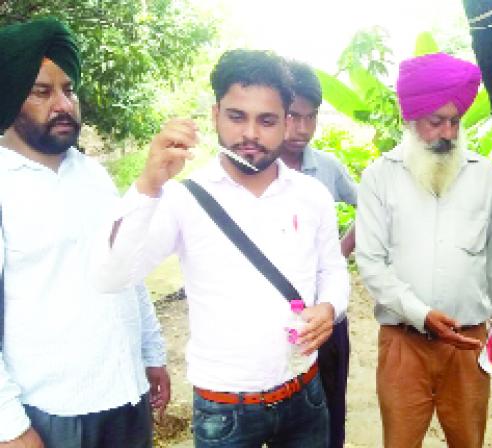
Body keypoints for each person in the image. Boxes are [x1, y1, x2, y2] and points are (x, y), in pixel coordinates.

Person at [94, 49, 349, 448]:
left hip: (303, 390)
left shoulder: (311, 194)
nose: (250, 134)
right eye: (236, 116)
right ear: (215, 115)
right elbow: (112, 276)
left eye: (266, 120)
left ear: (286, 122)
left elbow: (332, 270)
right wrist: (148, 185)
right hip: (225, 406)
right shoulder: (182, 199)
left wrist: (330, 307)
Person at [0, 18, 169, 448]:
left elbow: (124, 266)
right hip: (50, 410)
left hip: (125, 396)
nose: (63, 104)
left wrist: (151, 354)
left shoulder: (92, 174)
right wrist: (11, 427)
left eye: (68, 90)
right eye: (43, 91)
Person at [355, 52, 492, 448]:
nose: (447, 132)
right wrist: (421, 313)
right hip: (403, 341)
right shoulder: (380, 177)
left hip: (468, 342)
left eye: (454, 121)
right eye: (435, 122)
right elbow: (371, 262)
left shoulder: (484, 176)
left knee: (469, 440)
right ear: (412, 120)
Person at [279, 60, 356, 448]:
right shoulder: (255, 169)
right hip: (276, 325)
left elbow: (371, 210)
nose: (303, 129)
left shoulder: (326, 168)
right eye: (294, 116)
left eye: (312, 117)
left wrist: (341, 252)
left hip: (327, 320)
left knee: (330, 413)